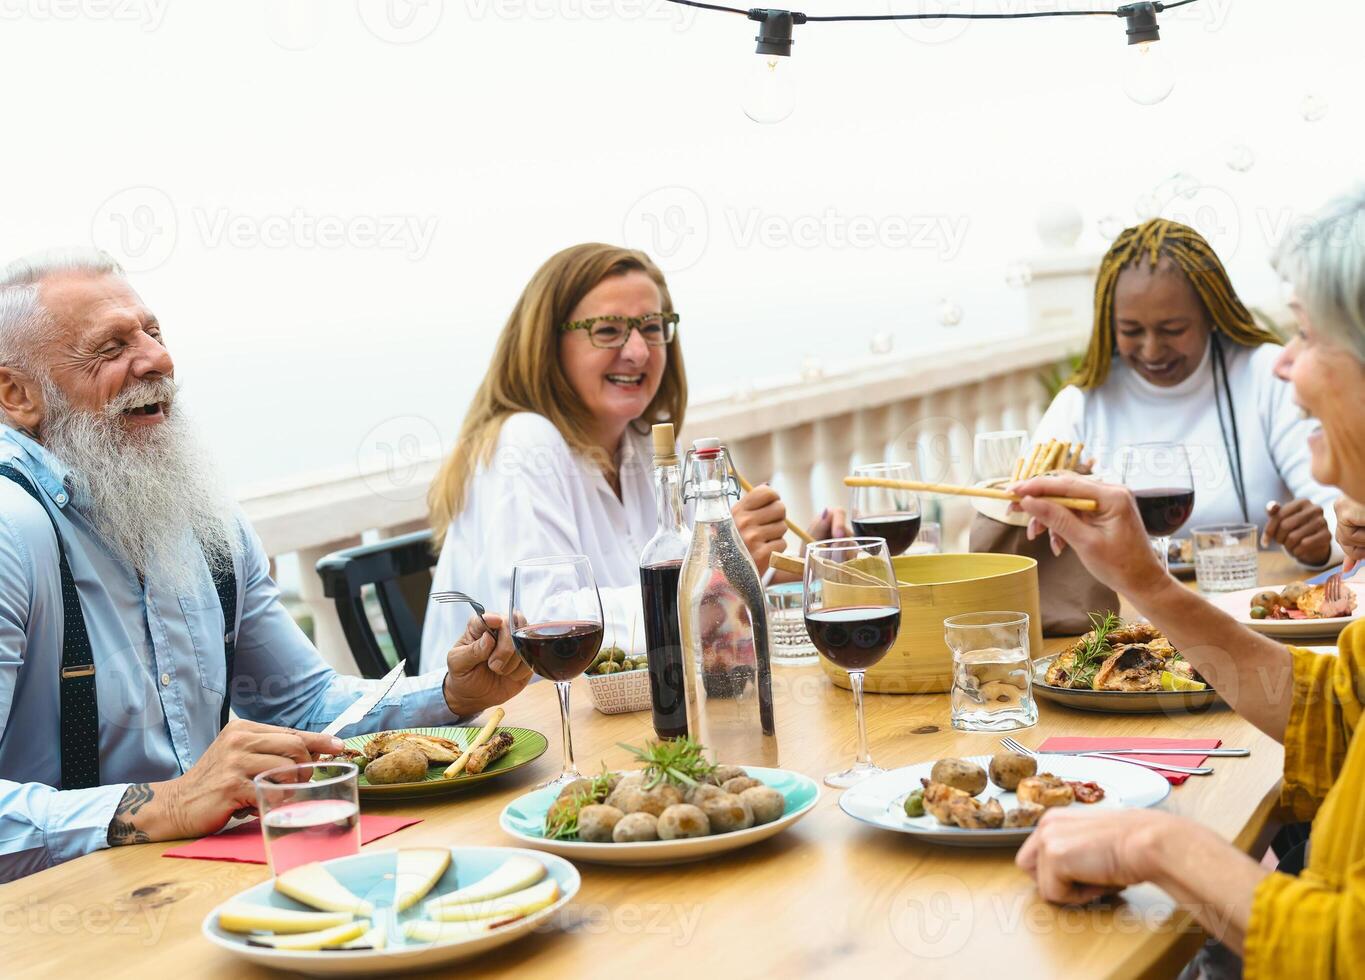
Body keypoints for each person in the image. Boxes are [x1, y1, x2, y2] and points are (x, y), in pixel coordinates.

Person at [0, 249, 531, 882]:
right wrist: (164, 804)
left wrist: (452, 695)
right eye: (110, 347)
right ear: (15, 392)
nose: (158, 360)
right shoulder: (13, 530)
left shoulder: (204, 521)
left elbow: (303, 704)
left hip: (201, 886)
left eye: (154, 332)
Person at [1011, 188, 1365, 976]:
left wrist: (1153, 841)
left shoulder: (1250, 382)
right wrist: (1144, 581)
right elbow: (1333, 713)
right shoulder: (1083, 402)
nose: (1278, 361)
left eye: (1304, 335)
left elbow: (1344, 953)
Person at [420, 243, 847, 670]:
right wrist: (716, 566)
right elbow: (542, 627)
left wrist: (800, 566)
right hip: (517, 726)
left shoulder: (645, 444)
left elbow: (693, 600)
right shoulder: (524, 444)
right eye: (607, 331)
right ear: (548, 344)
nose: (639, 351)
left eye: (653, 327)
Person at [1032, 219, 1339, 567]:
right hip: (1120, 616)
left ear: (1212, 314)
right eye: (1131, 330)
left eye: (1173, 329)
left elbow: (1341, 509)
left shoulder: (1267, 376)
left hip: (1246, 604)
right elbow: (1026, 513)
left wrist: (1319, 542)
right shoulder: (1082, 401)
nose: (1151, 350)